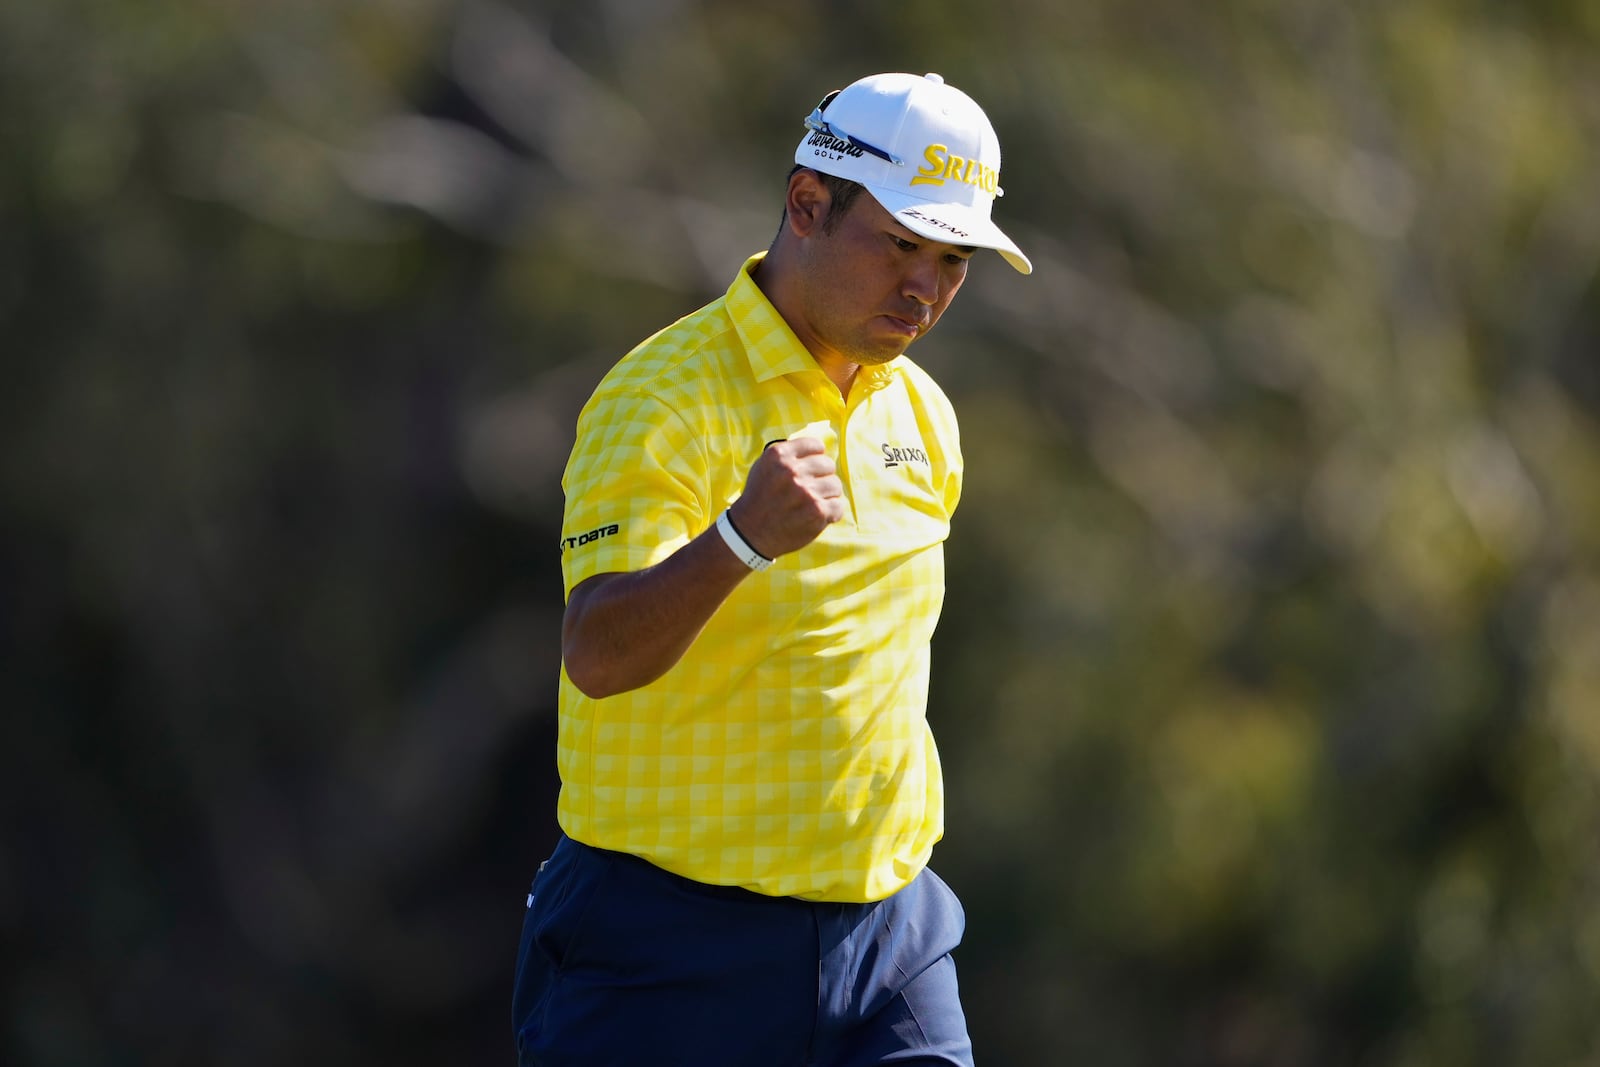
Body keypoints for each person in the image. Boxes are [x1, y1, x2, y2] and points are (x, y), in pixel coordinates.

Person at [513, 71, 1032, 1066]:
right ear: (806, 205)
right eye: (901, 244)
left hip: (887, 935)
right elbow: (597, 653)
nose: (925, 287)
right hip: (664, 943)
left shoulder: (923, 414)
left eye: (953, 258)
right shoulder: (659, 399)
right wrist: (738, 540)